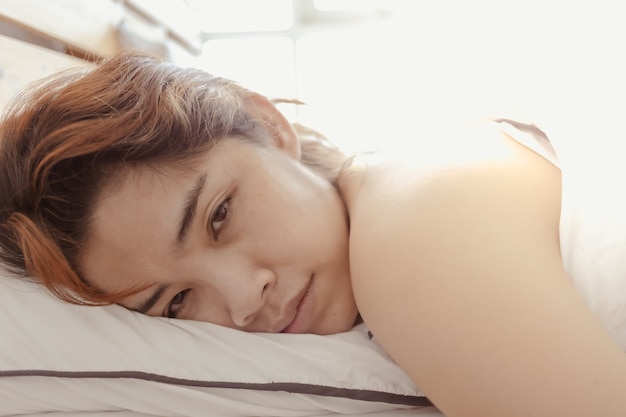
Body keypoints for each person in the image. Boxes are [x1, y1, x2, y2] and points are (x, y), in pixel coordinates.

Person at [1, 50, 625, 417]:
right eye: (176, 302)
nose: (245, 301)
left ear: (267, 124)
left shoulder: (407, 220)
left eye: (219, 215)